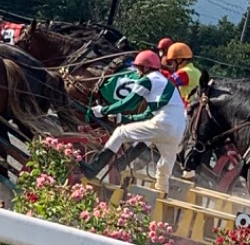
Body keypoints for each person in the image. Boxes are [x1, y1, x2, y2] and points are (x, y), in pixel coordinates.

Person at [80, 49, 187, 197]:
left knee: (120, 133)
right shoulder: (165, 83)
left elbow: (128, 103)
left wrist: (103, 110)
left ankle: (93, 168)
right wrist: (125, 119)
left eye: (138, 67)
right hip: (178, 127)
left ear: (146, 67)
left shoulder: (147, 80)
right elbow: (148, 114)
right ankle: (162, 193)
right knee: (165, 163)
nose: (137, 71)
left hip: (163, 123)